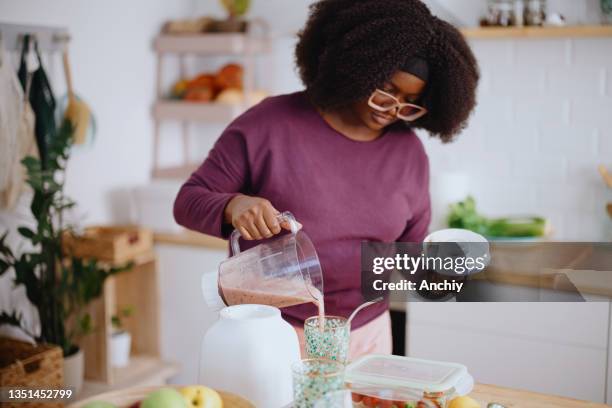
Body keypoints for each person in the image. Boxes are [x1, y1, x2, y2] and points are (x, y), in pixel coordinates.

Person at [174, 0, 479, 359]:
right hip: (273, 333)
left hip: (367, 337)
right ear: (360, 65)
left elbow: (408, 248)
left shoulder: (408, 153)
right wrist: (234, 205)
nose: (392, 111)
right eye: (386, 91)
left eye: (409, 103)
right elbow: (187, 202)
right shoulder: (269, 124)